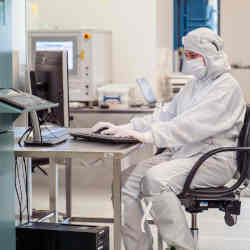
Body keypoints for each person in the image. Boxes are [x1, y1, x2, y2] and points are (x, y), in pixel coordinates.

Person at [91, 28, 246, 250]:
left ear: (209, 56)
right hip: (184, 154)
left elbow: (190, 126)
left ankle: (182, 247)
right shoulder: (194, 85)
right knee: (124, 182)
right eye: (186, 55)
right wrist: (123, 128)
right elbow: (166, 115)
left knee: (155, 179)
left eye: (193, 56)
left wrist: (148, 136)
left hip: (212, 160)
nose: (188, 61)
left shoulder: (226, 87)